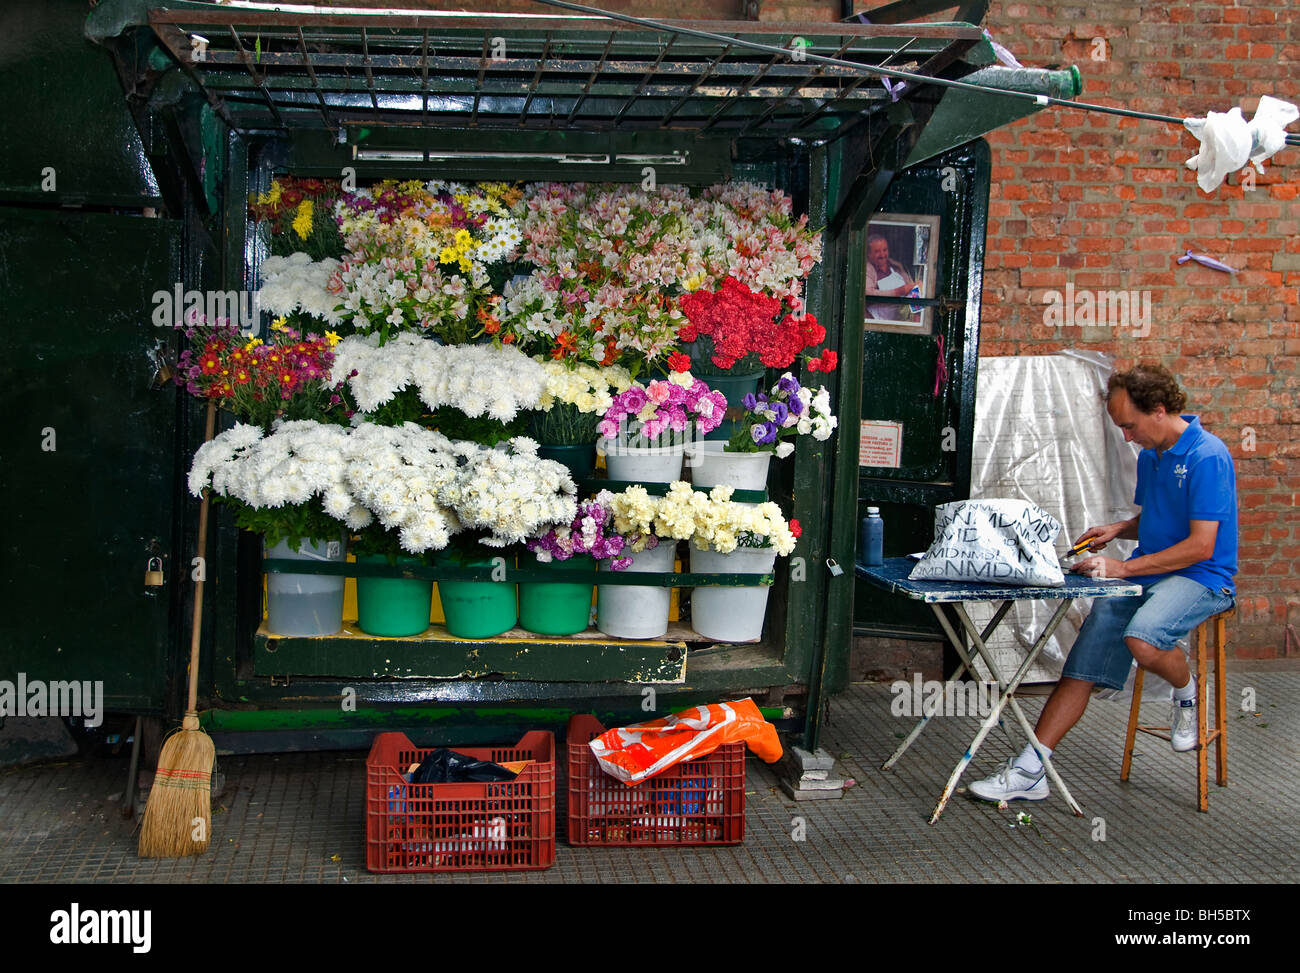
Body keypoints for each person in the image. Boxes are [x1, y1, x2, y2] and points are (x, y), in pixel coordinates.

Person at [970, 363, 1238, 802]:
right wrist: (1117, 530)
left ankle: (1187, 694)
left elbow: (1201, 546)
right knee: (1080, 669)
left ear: (1159, 409)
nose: (1127, 437)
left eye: (1130, 426)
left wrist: (1124, 568)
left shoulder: (1207, 456)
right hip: (1151, 571)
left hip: (1201, 577)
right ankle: (1030, 771)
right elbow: (1156, 519)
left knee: (1143, 638)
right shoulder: (1153, 456)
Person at [864, 233, 918, 322]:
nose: (882, 255)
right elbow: (868, 293)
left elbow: (911, 290)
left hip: (901, 321)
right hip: (877, 321)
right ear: (869, 254)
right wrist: (899, 291)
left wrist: (916, 316)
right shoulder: (867, 269)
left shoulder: (896, 266)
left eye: (885, 250)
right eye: (877, 251)